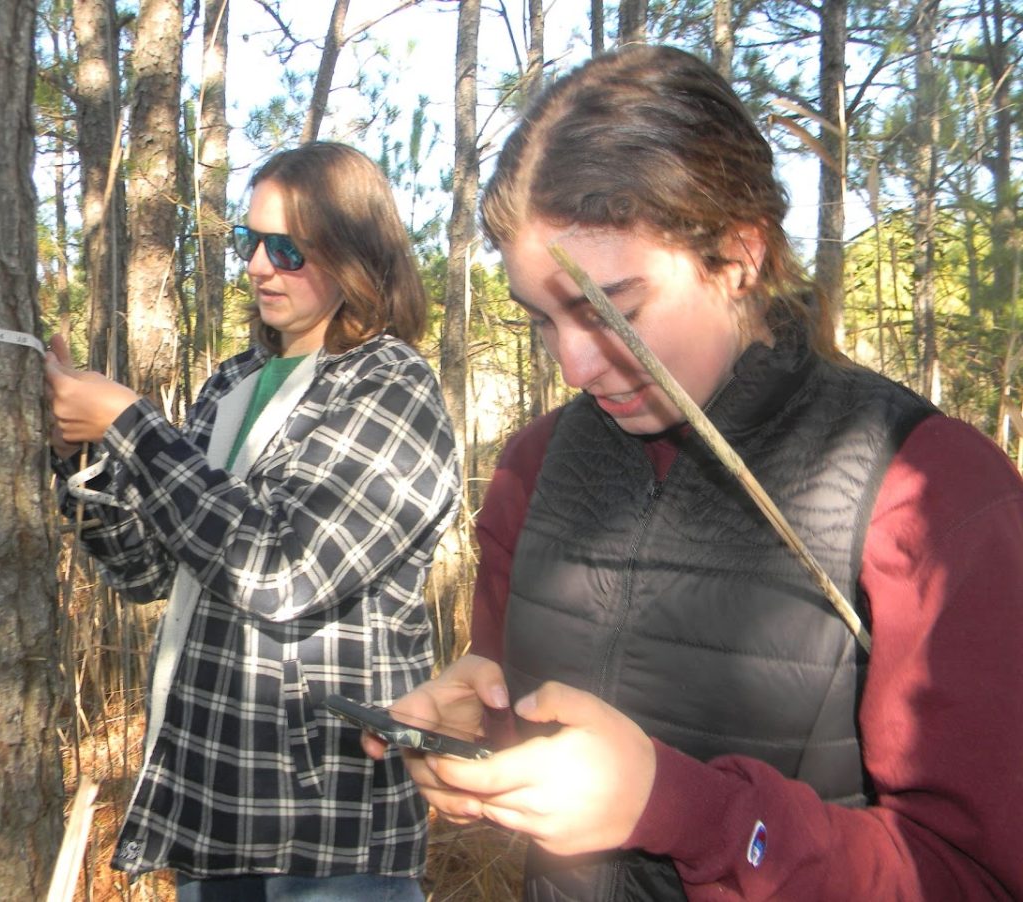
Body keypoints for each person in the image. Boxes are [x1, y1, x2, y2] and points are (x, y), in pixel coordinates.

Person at [363, 45, 1023, 900]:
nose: (570, 366)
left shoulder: (931, 495)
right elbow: (551, 719)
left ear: (739, 254)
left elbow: (972, 875)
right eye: (542, 319)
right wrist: (479, 734)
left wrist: (690, 813)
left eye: (616, 311)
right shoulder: (534, 469)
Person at [45, 141, 461, 900]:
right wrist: (81, 456)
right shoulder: (234, 383)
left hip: (326, 828)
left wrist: (132, 422)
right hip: (210, 808)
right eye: (250, 242)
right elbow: (148, 571)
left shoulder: (392, 385)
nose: (258, 267)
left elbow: (284, 569)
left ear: (356, 254)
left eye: (288, 249)